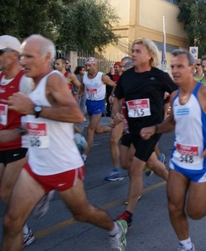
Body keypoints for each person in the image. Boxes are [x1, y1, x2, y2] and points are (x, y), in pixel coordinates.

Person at [3, 34, 127, 251]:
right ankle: (44, 194)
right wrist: (18, 132)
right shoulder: (26, 81)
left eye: (29, 57)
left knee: (82, 213)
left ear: (47, 57)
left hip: (63, 165)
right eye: (22, 56)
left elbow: (76, 115)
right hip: (35, 165)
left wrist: (33, 109)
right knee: (12, 222)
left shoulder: (53, 79)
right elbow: (34, 121)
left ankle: (116, 228)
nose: (23, 61)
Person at [140, 49, 206, 251]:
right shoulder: (174, 96)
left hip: (202, 162)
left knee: (195, 212)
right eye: (172, 66)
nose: (174, 70)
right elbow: (172, 122)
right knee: (173, 206)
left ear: (193, 68)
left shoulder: (205, 93)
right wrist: (155, 128)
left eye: (180, 66)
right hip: (178, 161)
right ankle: (186, 246)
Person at [111, 38, 175, 228]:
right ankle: (175, 182)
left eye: (138, 51)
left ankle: (128, 215)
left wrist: (174, 111)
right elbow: (117, 98)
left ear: (149, 55)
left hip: (151, 129)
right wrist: (115, 114)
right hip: (132, 128)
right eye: (133, 50)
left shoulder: (159, 76)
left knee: (135, 168)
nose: (134, 54)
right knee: (128, 163)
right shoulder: (127, 76)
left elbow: (178, 93)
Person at [0, 35, 36, 247]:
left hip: (19, 143)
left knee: (5, 190)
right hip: (1, 143)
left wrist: (17, 132)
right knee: (3, 190)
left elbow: (39, 114)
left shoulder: (25, 81)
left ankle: (23, 230)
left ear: (14, 55)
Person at [81, 57, 115, 162]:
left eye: (90, 65)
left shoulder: (102, 77)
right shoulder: (84, 77)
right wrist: (77, 96)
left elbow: (115, 85)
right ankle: (117, 130)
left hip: (99, 104)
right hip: (89, 103)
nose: (87, 68)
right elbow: (82, 88)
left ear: (95, 65)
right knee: (98, 130)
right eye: (86, 65)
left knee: (90, 129)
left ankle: (84, 156)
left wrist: (112, 95)